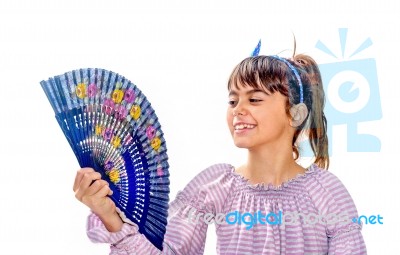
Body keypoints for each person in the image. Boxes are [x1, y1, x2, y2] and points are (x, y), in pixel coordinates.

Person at [73, 49, 367, 254]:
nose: (239, 110)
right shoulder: (215, 186)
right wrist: (109, 216)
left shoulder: (327, 191)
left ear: (296, 114)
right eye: (232, 101)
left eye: (254, 99)